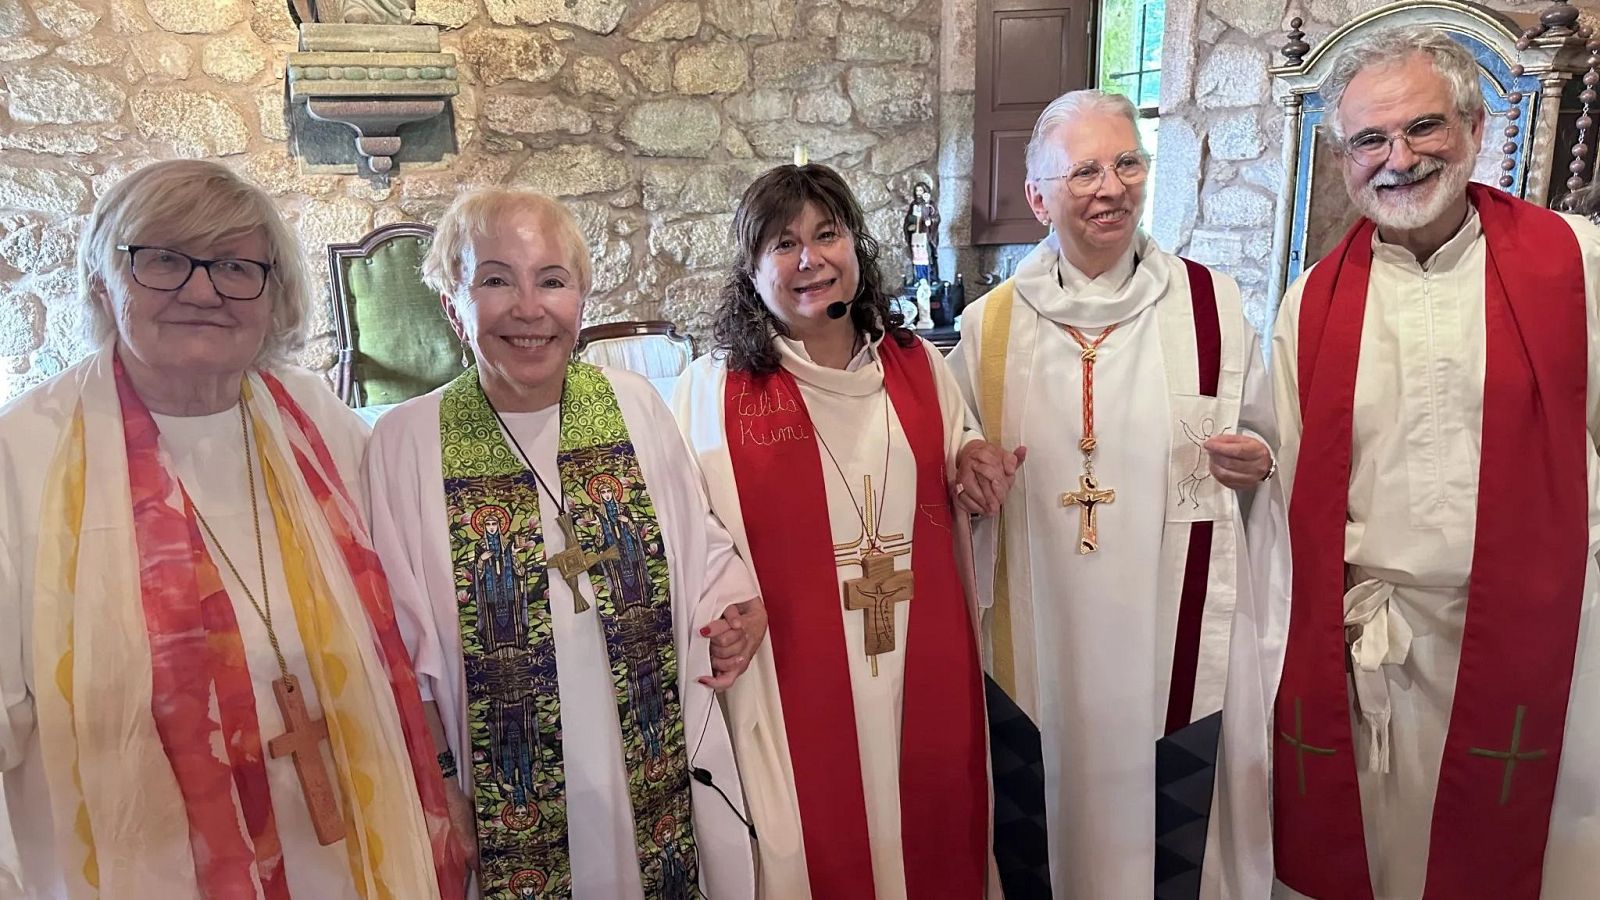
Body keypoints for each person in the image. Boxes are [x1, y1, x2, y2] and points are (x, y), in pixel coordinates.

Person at [0, 159, 463, 898]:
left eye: (234, 265)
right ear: (102, 280)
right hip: (148, 867)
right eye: (163, 260)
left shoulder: (317, 422)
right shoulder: (25, 455)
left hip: (353, 850)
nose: (202, 289)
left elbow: (423, 600)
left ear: (274, 294)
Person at [1271, 25, 1600, 899]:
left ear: (1475, 128)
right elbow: (1292, 473)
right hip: (1379, 652)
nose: (1399, 159)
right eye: (1370, 140)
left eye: (1423, 128)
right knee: (1387, 861)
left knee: (1544, 861)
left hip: (1552, 644)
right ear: (1343, 156)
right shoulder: (1312, 303)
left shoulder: (1576, 265)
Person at [364, 187, 767, 899]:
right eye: (494, 280)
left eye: (552, 280)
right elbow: (394, 646)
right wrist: (443, 788)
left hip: (648, 777)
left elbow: (700, 549)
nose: (528, 308)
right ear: (453, 301)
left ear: (580, 297)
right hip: (505, 806)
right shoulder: (405, 442)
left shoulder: (636, 406)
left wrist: (740, 612)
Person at [947, 89, 1290, 899]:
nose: (1112, 187)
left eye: (1128, 161)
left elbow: (1269, 440)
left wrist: (1259, 461)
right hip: (1044, 638)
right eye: (1085, 170)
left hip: (1166, 629)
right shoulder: (986, 329)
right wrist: (968, 472)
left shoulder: (1213, 308)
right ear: (1038, 197)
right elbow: (955, 464)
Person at [673, 163, 1014, 900]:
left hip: (921, 653)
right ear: (752, 269)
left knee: (928, 828)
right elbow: (685, 528)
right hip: (789, 672)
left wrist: (972, 471)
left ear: (855, 246)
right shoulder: (714, 388)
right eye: (783, 244)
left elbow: (954, 458)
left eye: (827, 235)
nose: (810, 260)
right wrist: (719, 601)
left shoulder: (918, 362)